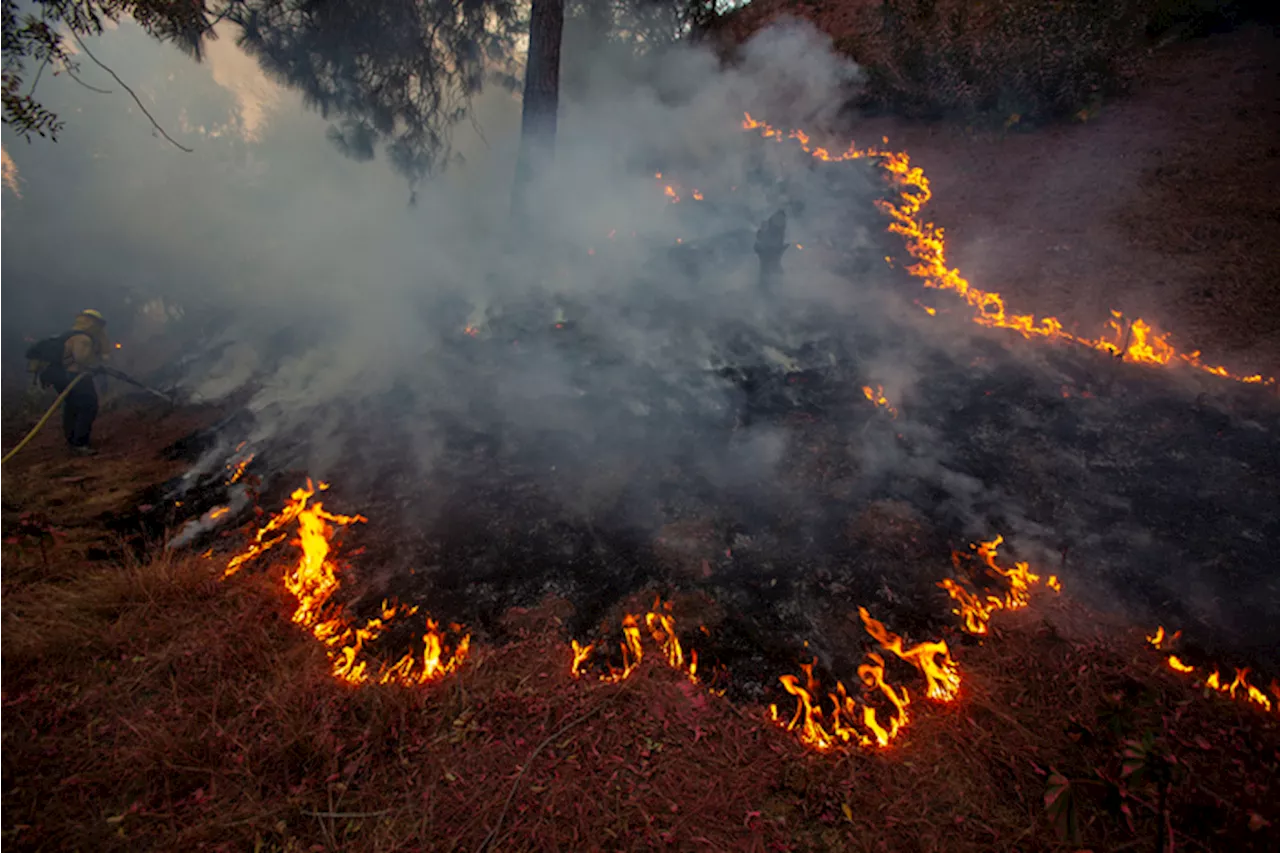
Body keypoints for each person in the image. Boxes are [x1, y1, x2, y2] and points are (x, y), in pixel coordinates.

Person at [40, 310, 110, 456]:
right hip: (76, 377)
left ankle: (72, 440)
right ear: (92, 322)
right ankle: (80, 443)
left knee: (72, 407)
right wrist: (97, 364)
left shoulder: (69, 334)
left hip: (61, 377)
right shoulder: (83, 338)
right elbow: (81, 359)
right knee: (88, 406)